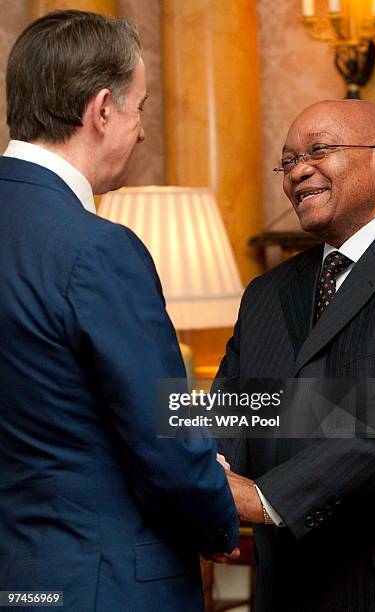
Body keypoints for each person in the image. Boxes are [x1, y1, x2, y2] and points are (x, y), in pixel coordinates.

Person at [0, 10, 239, 612]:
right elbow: (164, 433)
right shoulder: (97, 248)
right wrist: (217, 523)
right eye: (140, 108)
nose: (141, 131)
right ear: (102, 110)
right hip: (104, 583)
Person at [215, 99, 375, 611]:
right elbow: (233, 407)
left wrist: (266, 498)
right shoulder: (264, 293)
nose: (298, 171)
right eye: (288, 160)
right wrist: (202, 473)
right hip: (285, 586)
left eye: (318, 150)